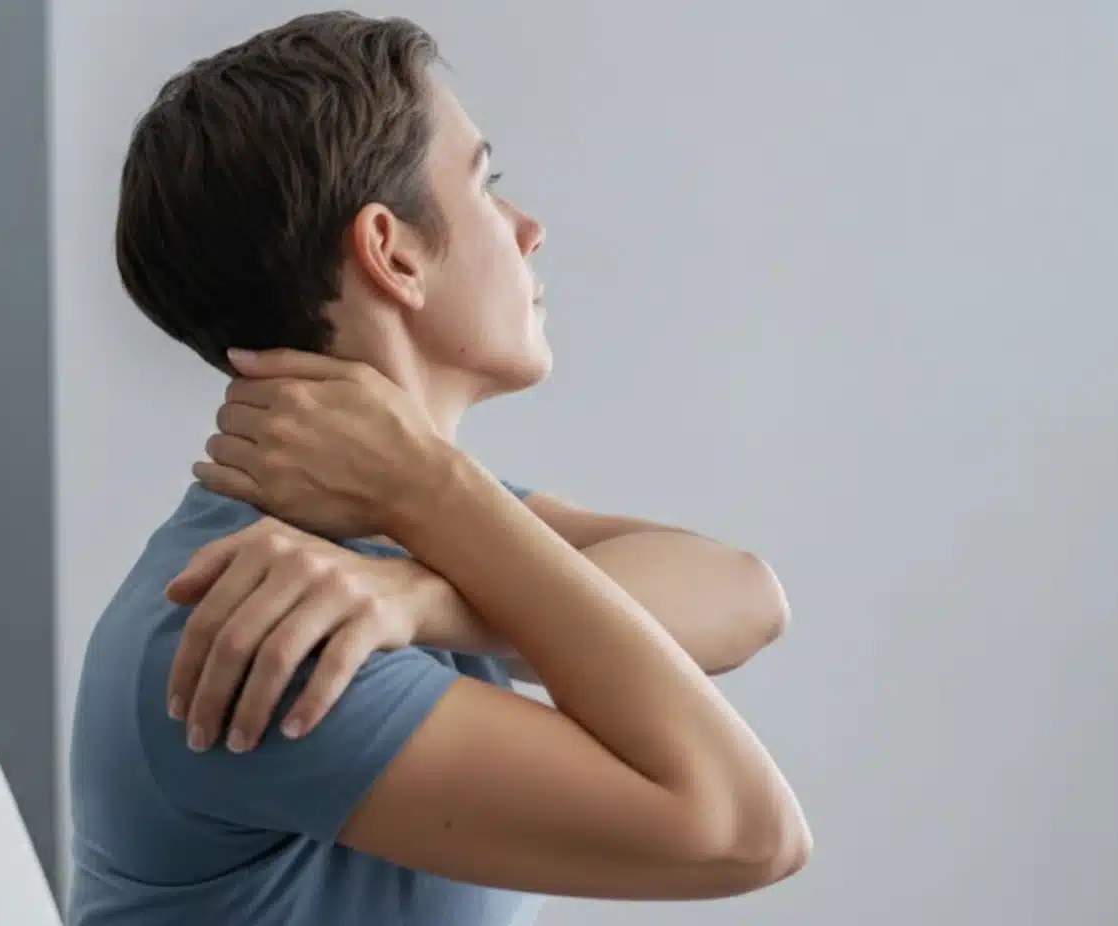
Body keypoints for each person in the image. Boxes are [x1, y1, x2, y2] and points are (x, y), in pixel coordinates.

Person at [67, 11, 810, 926]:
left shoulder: (390, 541)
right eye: (487, 184)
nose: (528, 228)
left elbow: (745, 596)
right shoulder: (263, 620)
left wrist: (427, 593)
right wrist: (433, 501)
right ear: (393, 251)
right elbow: (745, 833)